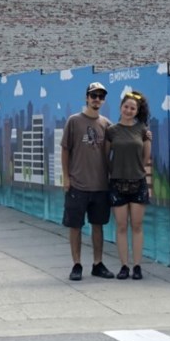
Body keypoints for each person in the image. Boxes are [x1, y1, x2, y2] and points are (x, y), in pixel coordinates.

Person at [61, 82, 116, 281]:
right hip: (77, 184)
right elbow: (65, 150)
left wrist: (146, 136)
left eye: (101, 96)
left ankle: (97, 263)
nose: (97, 99)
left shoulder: (107, 124)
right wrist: (66, 178)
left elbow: (125, 140)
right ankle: (76, 264)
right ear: (86, 97)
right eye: (93, 95)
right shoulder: (74, 121)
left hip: (100, 185)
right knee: (75, 226)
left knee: (98, 225)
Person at [105, 90, 153, 280]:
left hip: (138, 183)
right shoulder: (112, 131)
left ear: (137, 110)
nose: (129, 110)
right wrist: (115, 172)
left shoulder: (143, 130)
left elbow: (146, 157)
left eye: (133, 108)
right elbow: (105, 156)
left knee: (137, 225)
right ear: (121, 107)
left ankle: (138, 266)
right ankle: (124, 265)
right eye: (126, 106)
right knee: (121, 226)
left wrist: (136, 171)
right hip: (117, 183)